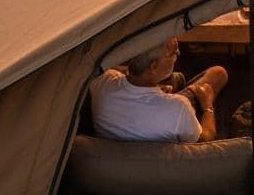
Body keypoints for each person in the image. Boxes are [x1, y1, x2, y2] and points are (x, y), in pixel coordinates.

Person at [90, 36, 228, 143]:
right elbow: (205, 141)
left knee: (177, 78)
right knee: (218, 73)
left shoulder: (101, 83)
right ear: (154, 66)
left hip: (132, 138)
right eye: (174, 52)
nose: (178, 54)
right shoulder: (178, 107)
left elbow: (110, 70)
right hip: (170, 118)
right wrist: (207, 107)